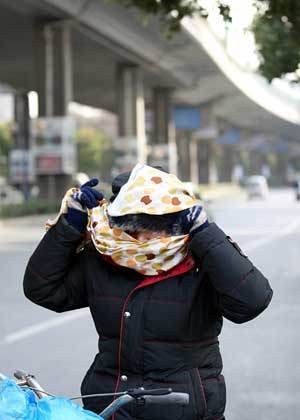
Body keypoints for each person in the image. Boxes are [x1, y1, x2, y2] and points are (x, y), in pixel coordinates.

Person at [23, 163, 273, 420]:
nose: (143, 238)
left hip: (185, 409)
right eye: (133, 225)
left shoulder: (198, 258)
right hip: (110, 407)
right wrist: (69, 226)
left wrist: (207, 234)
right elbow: (42, 288)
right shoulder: (105, 256)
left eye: (154, 222)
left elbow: (252, 301)